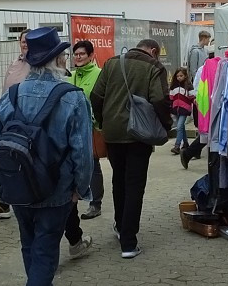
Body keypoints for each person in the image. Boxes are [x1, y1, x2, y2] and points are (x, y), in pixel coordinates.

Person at [0, 28, 92, 286]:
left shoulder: (12, 94)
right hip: (56, 188)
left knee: (29, 245)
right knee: (46, 251)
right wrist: (81, 187)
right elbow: (82, 151)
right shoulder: (72, 97)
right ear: (58, 60)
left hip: (18, 183)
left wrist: (3, 183)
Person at [90, 39, 171, 259]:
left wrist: (104, 121)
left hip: (113, 132)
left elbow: (96, 96)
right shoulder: (155, 67)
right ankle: (128, 241)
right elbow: (160, 99)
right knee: (135, 184)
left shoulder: (112, 63)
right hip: (140, 134)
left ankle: (119, 225)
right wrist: (165, 126)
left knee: (119, 180)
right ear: (153, 51)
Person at [0, 28, 31, 220]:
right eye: (23, 41)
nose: (25, 44)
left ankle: (16, 200)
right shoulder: (13, 64)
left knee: (21, 162)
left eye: (29, 41)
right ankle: (4, 200)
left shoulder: (37, 64)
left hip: (25, 122)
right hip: (5, 118)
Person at [71, 40, 105, 221]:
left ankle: (96, 203)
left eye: (82, 54)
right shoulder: (72, 75)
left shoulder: (100, 75)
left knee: (93, 165)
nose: (78, 57)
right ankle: (74, 198)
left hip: (91, 127)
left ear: (91, 56)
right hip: (73, 127)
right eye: (76, 54)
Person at [169, 67, 194, 154]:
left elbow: (192, 97)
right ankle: (186, 143)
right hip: (176, 109)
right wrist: (171, 107)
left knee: (179, 126)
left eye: (181, 76)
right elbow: (171, 98)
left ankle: (177, 146)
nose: (179, 77)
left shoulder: (188, 86)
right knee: (181, 127)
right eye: (177, 76)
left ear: (185, 76)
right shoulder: (173, 86)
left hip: (184, 109)